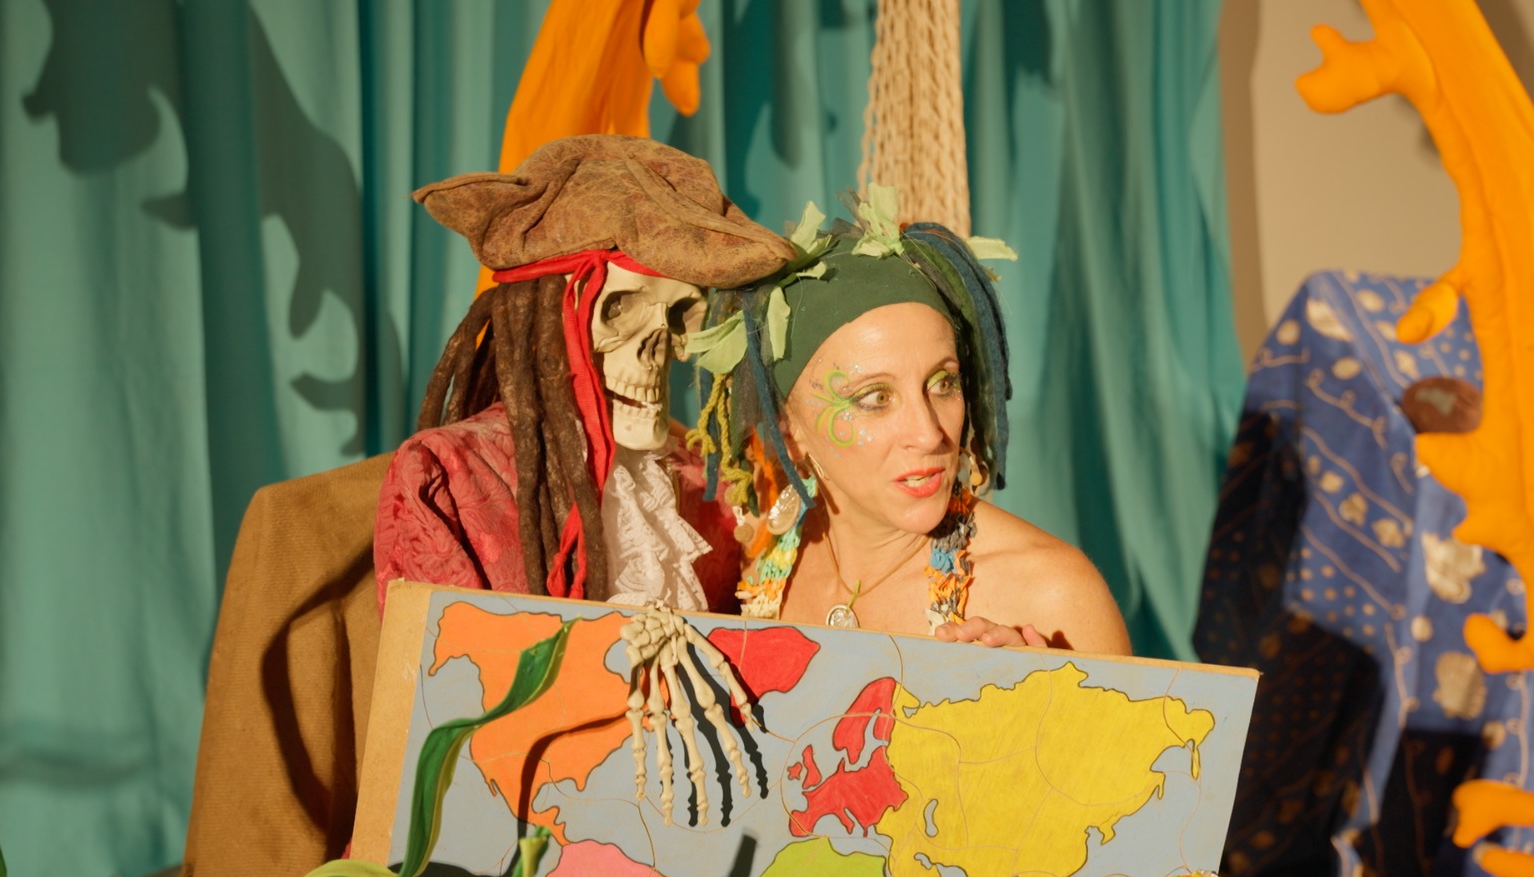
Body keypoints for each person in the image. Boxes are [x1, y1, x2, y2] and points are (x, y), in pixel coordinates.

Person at [688, 188, 1131, 654]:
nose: (929, 433)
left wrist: (1041, 698)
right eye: (876, 398)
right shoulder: (749, 557)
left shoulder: (1055, 597)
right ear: (789, 431)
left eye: (943, 383)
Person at [374, 135, 795, 615]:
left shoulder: (708, 489)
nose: (657, 350)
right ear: (542, 323)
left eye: (680, 315)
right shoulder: (446, 474)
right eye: (618, 308)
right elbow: (441, 655)